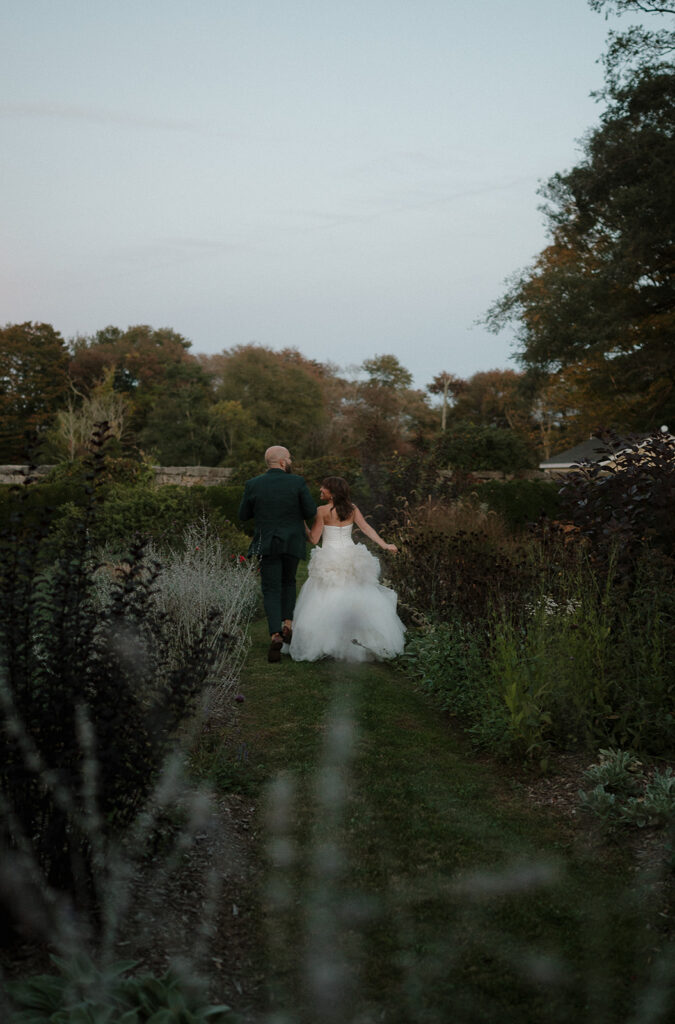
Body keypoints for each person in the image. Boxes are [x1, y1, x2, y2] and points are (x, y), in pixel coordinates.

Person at [289, 476, 405, 663]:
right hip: (352, 557)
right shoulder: (352, 508)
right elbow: (366, 528)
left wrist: (301, 521)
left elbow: (313, 539)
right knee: (356, 596)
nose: (320, 489)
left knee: (326, 599)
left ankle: (327, 642)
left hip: (329, 558)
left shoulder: (322, 511)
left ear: (332, 492)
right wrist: (384, 545)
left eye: (324, 488)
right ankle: (358, 641)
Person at [238, 445, 317, 663]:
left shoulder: (253, 484)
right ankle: (288, 624)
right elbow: (310, 511)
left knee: (271, 588)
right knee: (289, 582)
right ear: (283, 462)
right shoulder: (297, 482)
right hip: (292, 541)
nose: (290, 461)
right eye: (289, 458)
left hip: (267, 543)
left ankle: (275, 634)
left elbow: (243, 515)